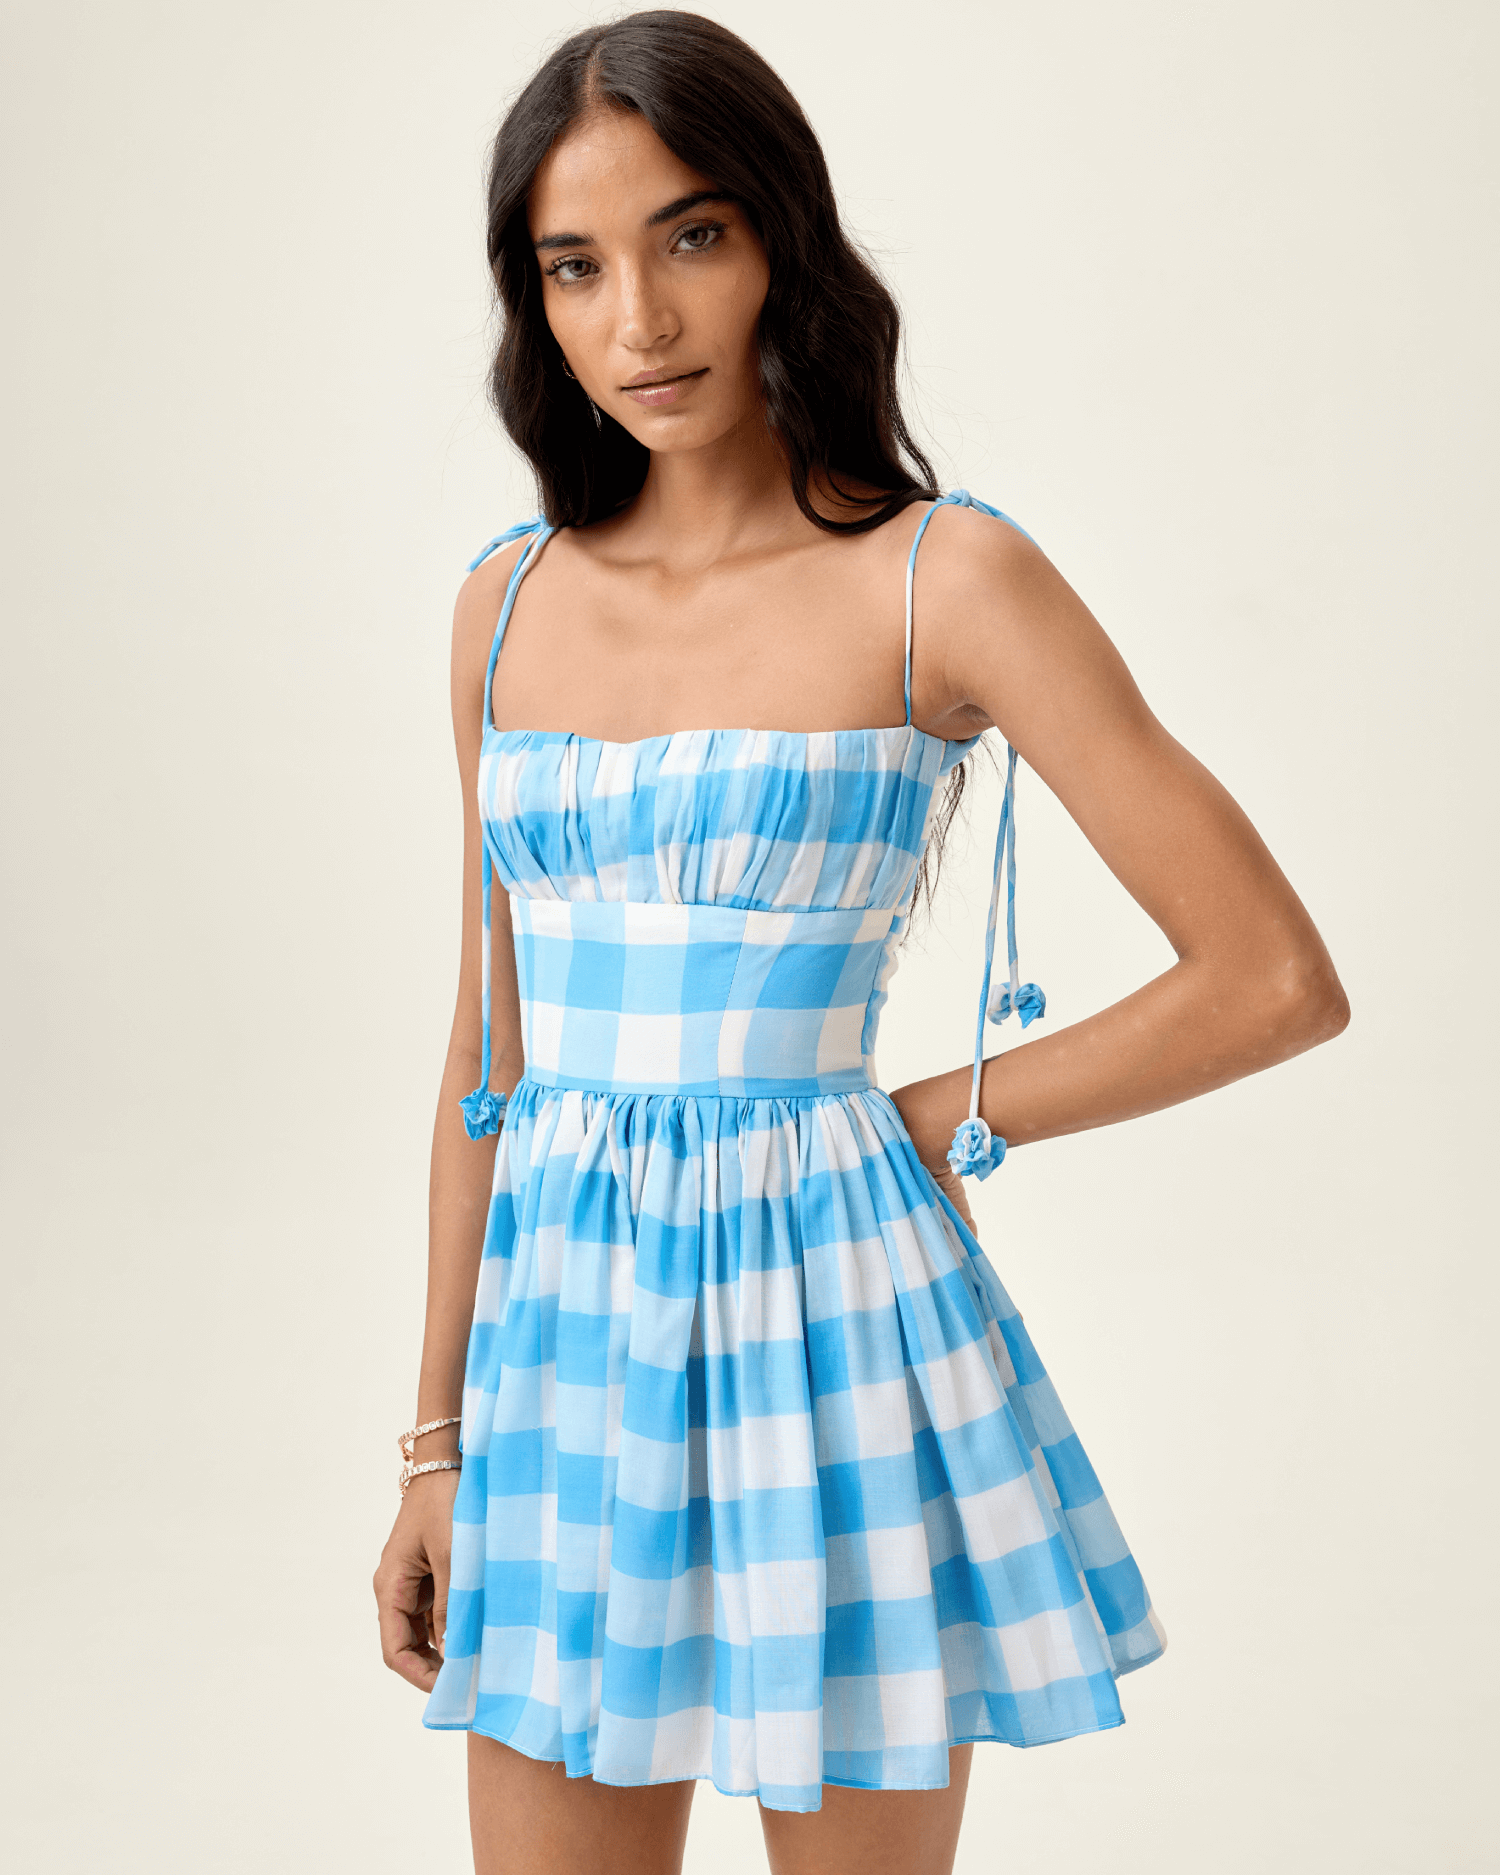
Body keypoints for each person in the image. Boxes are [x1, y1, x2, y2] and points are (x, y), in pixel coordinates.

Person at [372, 13, 1350, 1874]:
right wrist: (434, 1446)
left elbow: (1271, 976)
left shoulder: (941, 577)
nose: (640, 321)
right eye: (575, 266)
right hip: (564, 1366)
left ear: (782, 243)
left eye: (692, 236)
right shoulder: (503, 605)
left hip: (835, 1331)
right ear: (534, 302)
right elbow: (487, 1058)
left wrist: (925, 1118)